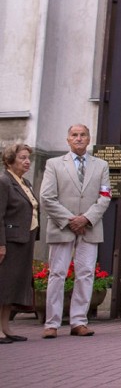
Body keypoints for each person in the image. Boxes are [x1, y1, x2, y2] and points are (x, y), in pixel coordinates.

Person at [40, 124, 111, 338]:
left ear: (89, 139)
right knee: (57, 274)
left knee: (86, 274)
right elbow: (46, 197)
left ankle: (79, 321)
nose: (79, 138)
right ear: (68, 139)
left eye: (83, 135)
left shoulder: (101, 165)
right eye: (74, 135)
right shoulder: (54, 164)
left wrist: (86, 219)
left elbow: (105, 196)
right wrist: (70, 220)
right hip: (63, 227)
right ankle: (51, 323)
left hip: (90, 227)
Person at [0, 143, 38, 343]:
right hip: (9, 241)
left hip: (24, 240)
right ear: (9, 160)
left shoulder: (25, 183)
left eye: (28, 158)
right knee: (3, 285)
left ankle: (6, 327)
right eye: (22, 157)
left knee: (12, 287)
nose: (27, 161)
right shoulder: (4, 181)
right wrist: (1, 244)